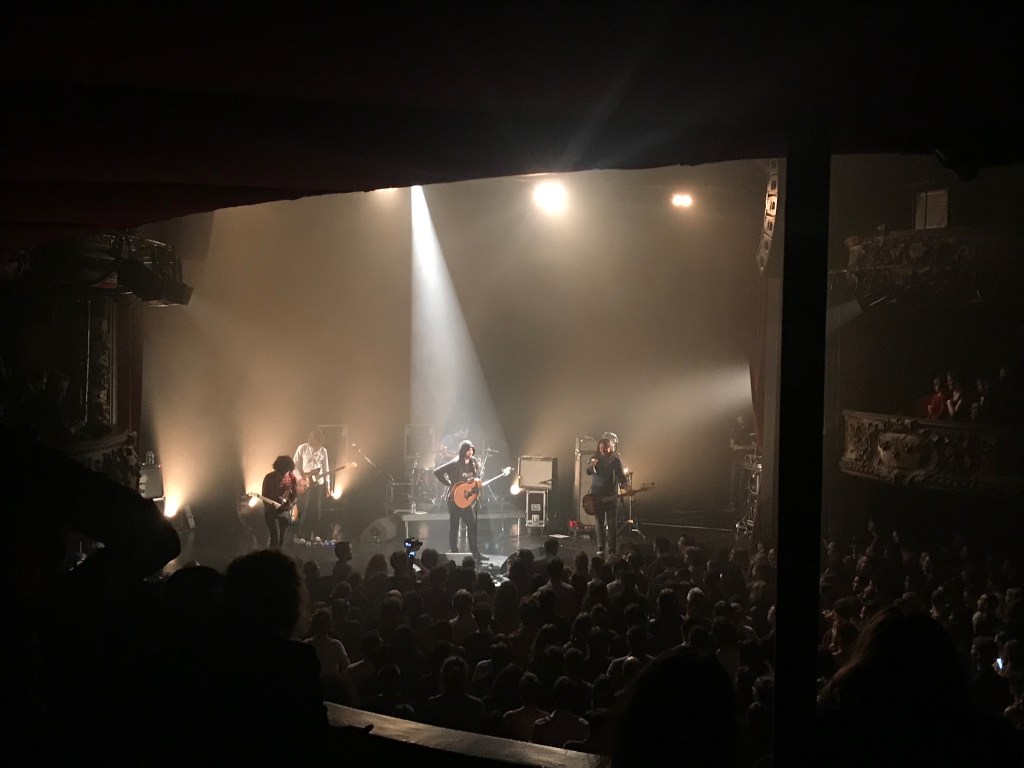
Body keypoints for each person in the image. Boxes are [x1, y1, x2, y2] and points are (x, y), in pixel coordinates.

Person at [434, 439, 482, 558]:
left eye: (472, 450)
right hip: (454, 500)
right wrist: (448, 483)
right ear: (463, 451)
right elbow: (437, 471)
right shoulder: (455, 463)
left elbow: (473, 480)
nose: (471, 452)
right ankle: (454, 552)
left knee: (472, 524)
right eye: (468, 450)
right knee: (454, 526)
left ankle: (475, 552)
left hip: (465, 500)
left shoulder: (473, 462)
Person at [586, 436, 629, 556]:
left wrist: (627, 488)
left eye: (605, 448)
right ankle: (601, 546)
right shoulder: (595, 458)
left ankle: (612, 549)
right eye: (601, 448)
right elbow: (588, 471)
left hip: (611, 496)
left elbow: (621, 476)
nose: (602, 450)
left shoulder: (615, 460)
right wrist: (592, 465)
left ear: (610, 448)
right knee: (599, 522)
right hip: (596, 495)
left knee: (611, 523)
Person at [293, 427, 330, 541]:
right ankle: (303, 534)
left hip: (319, 484)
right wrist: (301, 479)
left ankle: (316, 534)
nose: (313, 441)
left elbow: (326, 469)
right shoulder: (302, 448)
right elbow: (294, 466)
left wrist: (328, 486)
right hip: (305, 483)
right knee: (306, 508)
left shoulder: (323, 451)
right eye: (312, 438)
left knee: (317, 509)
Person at [262, 455, 297, 550]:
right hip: (270, 511)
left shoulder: (292, 478)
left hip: (285, 511)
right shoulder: (269, 478)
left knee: (282, 538)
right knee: (274, 536)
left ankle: (278, 553)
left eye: (286, 471)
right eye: (281, 472)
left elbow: (294, 496)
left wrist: (288, 506)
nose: (284, 474)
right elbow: (264, 496)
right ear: (277, 469)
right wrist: (272, 506)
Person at [727, 415, 756, 512]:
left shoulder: (751, 431)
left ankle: (745, 505)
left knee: (746, 482)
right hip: (736, 460)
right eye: (739, 420)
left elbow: (754, 446)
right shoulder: (735, 431)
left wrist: (740, 447)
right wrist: (743, 447)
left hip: (747, 460)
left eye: (742, 419)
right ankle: (732, 504)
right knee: (733, 482)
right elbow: (732, 446)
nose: (741, 421)